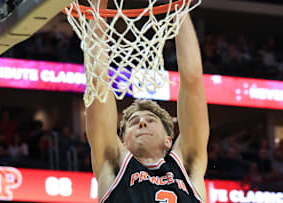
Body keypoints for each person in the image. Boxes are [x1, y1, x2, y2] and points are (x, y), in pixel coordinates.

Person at [84, 1, 209, 202]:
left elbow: (193, 80)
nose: (141, 123)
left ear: (169, 139)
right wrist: (99, 5)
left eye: (150, 120)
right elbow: (97, 78)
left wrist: (179, 7)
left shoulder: (187, 165)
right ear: (124, 142)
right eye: (133, 123)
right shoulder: (114, 164)